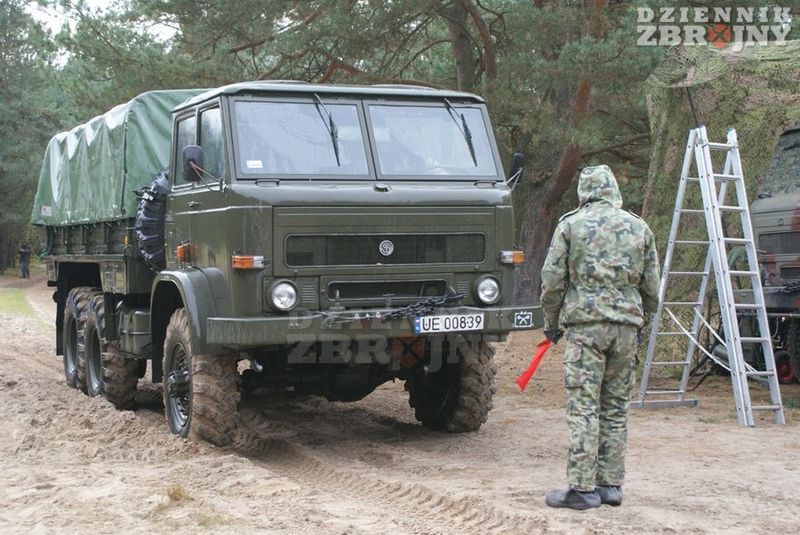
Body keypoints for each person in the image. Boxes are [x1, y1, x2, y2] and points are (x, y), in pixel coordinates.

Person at [539, 164, 660, 510]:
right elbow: (652, 288)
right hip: (625, 330)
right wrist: (639, 323)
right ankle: (610, 485)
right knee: (616, 408)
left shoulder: (571, 225)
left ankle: (581, 488)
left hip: (586, 330)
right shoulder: (639, 227)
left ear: (584, 191)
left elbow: (552, 281)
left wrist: (552, 322)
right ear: (614, 190)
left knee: (584, 406)